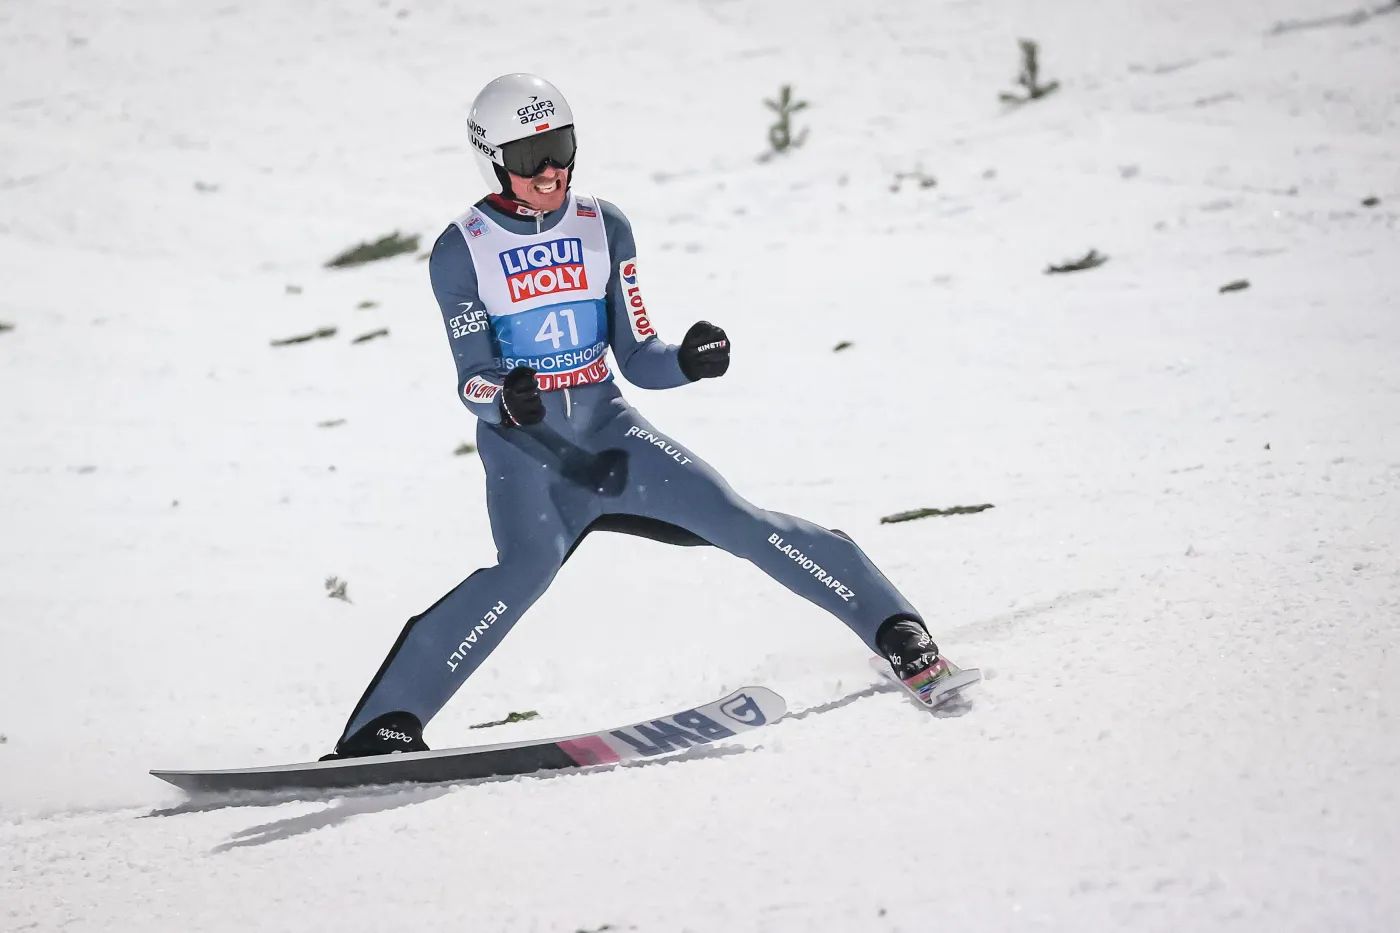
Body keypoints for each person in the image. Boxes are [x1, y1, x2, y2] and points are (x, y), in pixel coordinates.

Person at [326, 73, 953, 758]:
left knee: (737, 519)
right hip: (526, 453)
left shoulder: (604, 225)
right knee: (521, 571)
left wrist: (689, 359)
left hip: (612, 437)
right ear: (494, 160)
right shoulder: (461, 248)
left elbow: (639, 353)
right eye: (531, 156)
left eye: (560, 147)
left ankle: (894, 626)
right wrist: (507, 397)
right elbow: (471, 379)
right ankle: (383, 726)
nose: (551, 170)